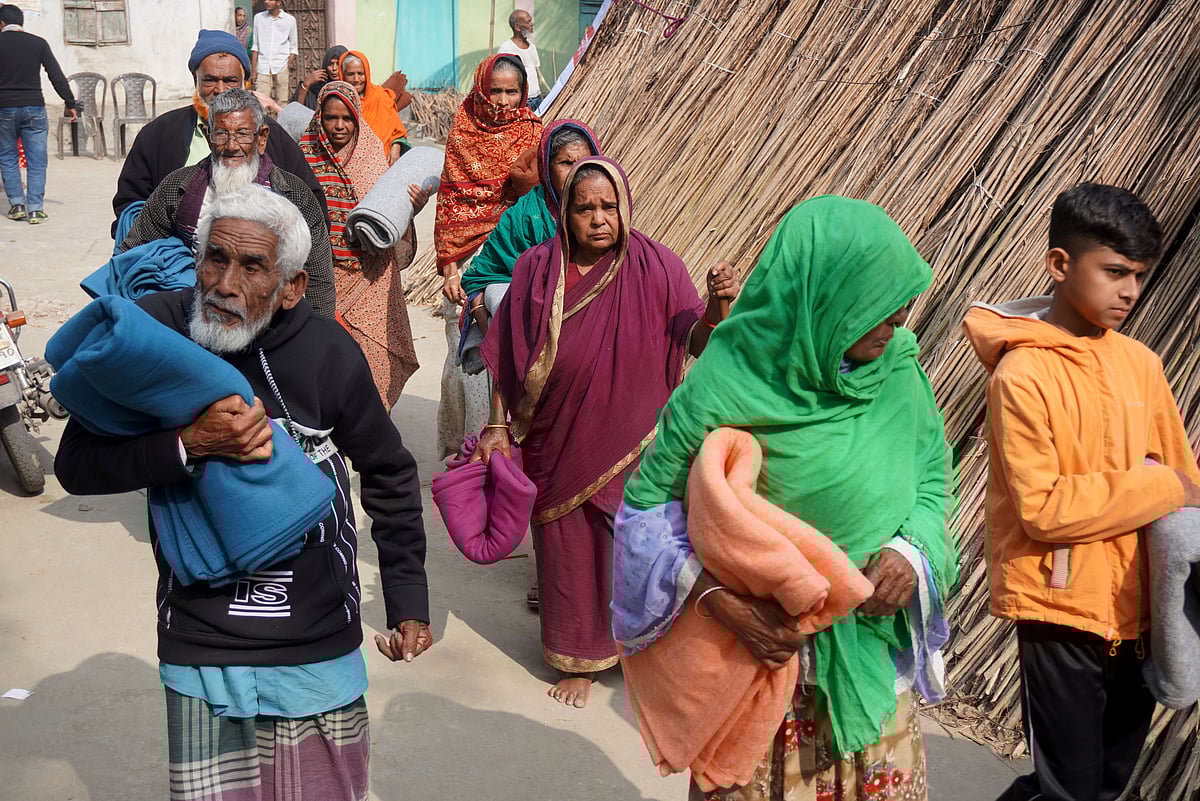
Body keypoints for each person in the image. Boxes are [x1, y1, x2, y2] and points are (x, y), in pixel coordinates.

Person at [55, 184, 433, 801]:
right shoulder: (154, 333)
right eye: (215, 258)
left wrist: (408, 599)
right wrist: (187, 445)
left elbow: (388, 470)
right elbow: (76, 465)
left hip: (315, 638)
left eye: (253, 267)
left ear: (292, 287)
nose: (224, 285)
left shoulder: (327, 352)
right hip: (200, 636)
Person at [611, 196, 958, 799]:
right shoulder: (724, 384)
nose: (899, 320)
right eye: (877, 306)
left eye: (900, 307)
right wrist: (724, 603)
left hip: (867, 667)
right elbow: (644, 515)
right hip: (757, 666)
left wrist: (912, 553)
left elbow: (932, 479)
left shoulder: (900, 374)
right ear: (823, 296)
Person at [962, 183, 1200, 801]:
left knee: (1107, 782)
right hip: (1058, 608)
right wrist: (1157, 485)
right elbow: (1045, 509)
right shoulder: (1021, 374)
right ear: (1060, 263)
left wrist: (1169, 489)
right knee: (1070, 786)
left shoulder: (1142, 365)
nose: (1130, 291)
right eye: (1115, 272)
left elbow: (1186, 487)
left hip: (1140, 609)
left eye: (1139, 275)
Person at [475, 156, 738, 708]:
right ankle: (578, 656)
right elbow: (505, 353)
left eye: (608, 206)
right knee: (569, 547)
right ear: (565, 213)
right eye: (584, 208)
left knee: (638, 545)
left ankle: (644, 649)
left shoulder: (658, 266)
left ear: (624, 207)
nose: (598, 219)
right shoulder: (536, 270)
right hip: (556, 436)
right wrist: (497, 424)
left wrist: (718, 305)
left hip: (633, 437)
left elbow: (698, 340)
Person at [118, 89, 335, 319]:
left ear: (262, 138)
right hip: (197, 315)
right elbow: (133, 252)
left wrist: (319, 328)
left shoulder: (294, 194)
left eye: (243, 134)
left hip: (269, 319)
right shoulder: (178, 187)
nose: (231, 146)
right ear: (208, 135)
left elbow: (318, 275)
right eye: (221, 134)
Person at [434, 54, 543, 458]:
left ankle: (498, 446)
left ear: (523, 93)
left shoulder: (534, 133)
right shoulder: (464, 128)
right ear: (481, 90)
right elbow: (450, 204)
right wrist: (450, 270)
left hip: (517, 252)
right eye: (495, 90)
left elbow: (544, 198)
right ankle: (463, 449)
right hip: (466, 256)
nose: (502, 100)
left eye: (511, 91)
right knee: (464, 353)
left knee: (506, 352)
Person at [112, 28, 323, 235]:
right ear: (195, 80)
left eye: (230, 81)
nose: (220, 90)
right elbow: (130, 204)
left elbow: (311, 208)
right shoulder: (159, 134)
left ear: (244, 82)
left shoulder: (271, 135)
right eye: (210, 80)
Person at [300, 81, 430, 408]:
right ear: (319, 117)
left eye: (347, 118)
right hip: (321, 278)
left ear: (357, 118)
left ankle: (372, 426)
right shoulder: (303, 157)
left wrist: (413, 207)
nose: (339, 126)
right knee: (327, 364)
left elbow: (389, 215)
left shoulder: (371, 155)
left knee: (373, 360)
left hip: (372, 277)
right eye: (331, 117)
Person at [460, 119, 602, 337]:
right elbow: (486, 272)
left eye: (585, 162)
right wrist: (485, 318)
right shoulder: (524, 215)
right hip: (528, 323)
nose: (576, 172)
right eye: (566, 163)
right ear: (546, 168)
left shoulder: (607, 210)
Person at [0, 3, 80, 224]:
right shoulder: (38, 43)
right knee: (36, 160)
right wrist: (70, 102)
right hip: (34, 108)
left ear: (1, 23)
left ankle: (17, 205)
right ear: (21, 22)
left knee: (7, 157)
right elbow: (56, 75)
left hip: (3, 108)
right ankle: (35, 209)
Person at [337, 50, 408, 164]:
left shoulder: (380, 97)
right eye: (351, 74)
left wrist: (396, 147)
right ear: (342, 75)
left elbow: (397, 131)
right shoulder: (337, 101)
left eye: (361, 74)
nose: (356, 79)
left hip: (382, 163)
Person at [497, 10, 548, 111]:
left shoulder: (532, 47)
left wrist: (541, 94)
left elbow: (536, 73)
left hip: (537, 99)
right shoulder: (506, 48)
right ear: (517, 27)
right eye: (528, 22)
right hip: (520, 102)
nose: (532, 24)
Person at [251, 0, 297, 107]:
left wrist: (288, 63)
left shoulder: (289, 20)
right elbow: (255, 46)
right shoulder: (259, 18)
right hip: (263, 66)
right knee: (260, 102)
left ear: (278, 2)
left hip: (282, 65)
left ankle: (281, 119)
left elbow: (294, 47)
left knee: (282, 102)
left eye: (270, 0)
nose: (266, 2)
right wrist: (254, 70)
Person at [292, 44, 348, 110]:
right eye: (331, 64)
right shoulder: (316, 89)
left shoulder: (351, 86)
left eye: (338, 64)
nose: (334, 68)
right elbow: (296, 111)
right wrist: (306, 85)